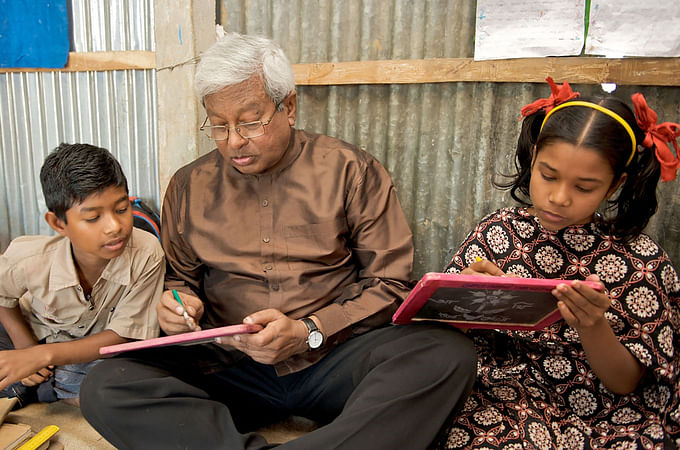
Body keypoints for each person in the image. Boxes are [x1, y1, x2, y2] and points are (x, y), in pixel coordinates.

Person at [79, 32, 477, 449]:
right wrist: (178, 305)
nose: (233, 141)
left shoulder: (351, 171)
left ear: (288, 106)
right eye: (218, 124)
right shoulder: (187, 186)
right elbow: (180, 278)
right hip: (230, 367)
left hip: (332, 359)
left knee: (444, 354)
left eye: (250, 122)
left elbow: (390, 283)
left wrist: (310, 330)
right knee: (108, 384)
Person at [440, 78, 680, 448]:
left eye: (584, 187)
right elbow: (437, 336)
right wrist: (469, 303)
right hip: (503, 399)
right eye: (548, 176)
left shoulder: (642, 262)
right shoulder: (499, 233)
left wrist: (593, 324)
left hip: (606, 417)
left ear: (614, 185)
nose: (559, 197)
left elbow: (626, 383)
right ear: (533, 159)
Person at [0, 143, 165, 407]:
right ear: (58, 223)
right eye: (93, 217)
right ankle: (53, 385)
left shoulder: (146, 253)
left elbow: (124, 335)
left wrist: (41, 357)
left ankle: (34, 386)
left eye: (121, 210)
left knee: (144, 367)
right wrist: (25, 347)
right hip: (34, 327)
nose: (114, 227)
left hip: (97, 350)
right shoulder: (30, 258)